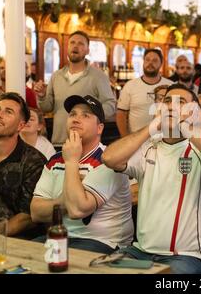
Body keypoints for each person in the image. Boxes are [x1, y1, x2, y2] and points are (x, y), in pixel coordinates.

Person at [102, 83, 201, 274]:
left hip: (187, 255)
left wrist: (183, 123)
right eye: (167, 101)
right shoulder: (148, 147)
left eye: (181, 103)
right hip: (140, 251)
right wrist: (152, 127)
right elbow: (109, 158)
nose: (172, 106)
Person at [30, 95, 133, 254]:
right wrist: (69, 196)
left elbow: (78, 210)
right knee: (22, 255)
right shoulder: (55, 160)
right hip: (62, 237)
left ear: (100, 128)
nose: (76, 119)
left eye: (85, 115)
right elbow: (36, 212)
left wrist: (71, 162)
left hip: (105, 243)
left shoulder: (110, 159)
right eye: (72, 114)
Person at [0, 92, 46, 238]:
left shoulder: (34, 161)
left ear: (20, 126)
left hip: (20, 239)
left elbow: (28, 215)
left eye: (8, 112)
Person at [34, 30, 116, 147]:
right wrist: (42, 96)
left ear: (87, 50)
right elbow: (47, 107)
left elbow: (111, 104)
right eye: (72, 43)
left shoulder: (98, 76)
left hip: (86, 144)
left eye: (81, 44)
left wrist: (90, 115)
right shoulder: (57, 76)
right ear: (67, 47)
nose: (75, 46)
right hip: (59, 142)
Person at [116, 49, 173, 137]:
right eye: (147, 60)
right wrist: (125, 139)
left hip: (164, 140)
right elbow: (121, 114)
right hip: (136, 141)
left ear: (161, 64)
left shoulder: (171, 86)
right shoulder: (130, 85)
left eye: (155, 60)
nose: (150, 63)